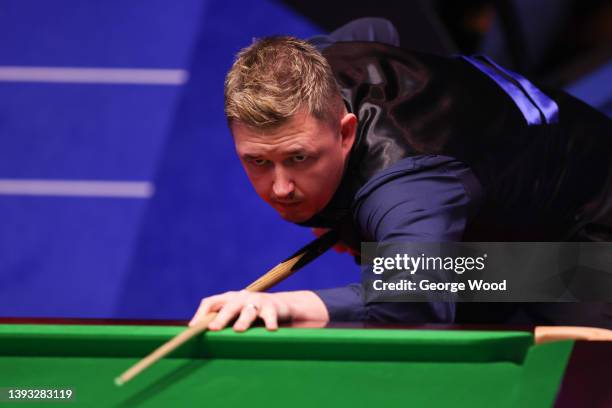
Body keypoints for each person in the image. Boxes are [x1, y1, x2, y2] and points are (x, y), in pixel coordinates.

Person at [189, 18, 612, 332]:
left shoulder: (408, 186)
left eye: (299, 158)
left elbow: (410, 303)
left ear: (346, 132)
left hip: (591, 229)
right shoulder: (314, 69)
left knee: (561, 367)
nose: (280, 187)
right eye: (259, 161)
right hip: (516, 190)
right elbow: (377, 29)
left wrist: (285, 306)